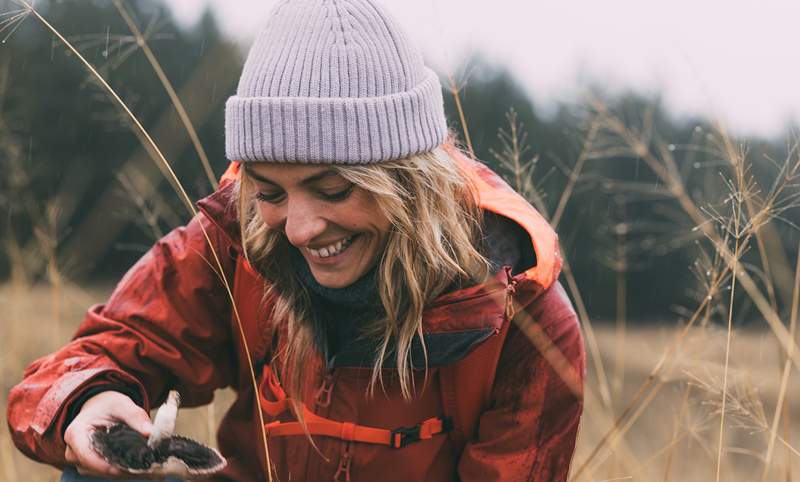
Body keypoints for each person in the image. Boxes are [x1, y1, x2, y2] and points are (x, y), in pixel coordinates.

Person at [7, 0, 585, 481]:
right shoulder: (239, 238)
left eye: (332, 190)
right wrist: (84, 402)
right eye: (271, 190)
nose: (301, 229)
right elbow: (87, 361)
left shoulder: (525, 321)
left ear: (411, 183)